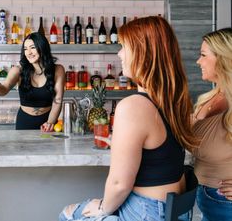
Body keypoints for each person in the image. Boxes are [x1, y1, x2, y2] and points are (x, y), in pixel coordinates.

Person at [59, 16, 198, 221]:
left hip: (146, 212)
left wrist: (102, 209)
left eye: (124, 46)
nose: (119, 53)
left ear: (143, 53)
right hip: (174, 211)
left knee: (68, 214)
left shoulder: (133, 106)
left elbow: (119, 184)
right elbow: (160, 151)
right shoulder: (174, 101)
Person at [192, 27, 232, 221]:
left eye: (203, 55)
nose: (198, 61)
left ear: (224, 58)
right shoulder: (211, 97)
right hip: (209, 199)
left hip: (227, 203)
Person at [0, 32, 65, 131]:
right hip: (24, 121)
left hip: (48, 121)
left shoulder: (58, 70)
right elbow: (4, 89)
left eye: (32, 47)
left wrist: (50, 122)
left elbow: (58, 100)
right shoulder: (18, 70)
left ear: (42, 47)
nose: (29, 52)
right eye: (25, 49)